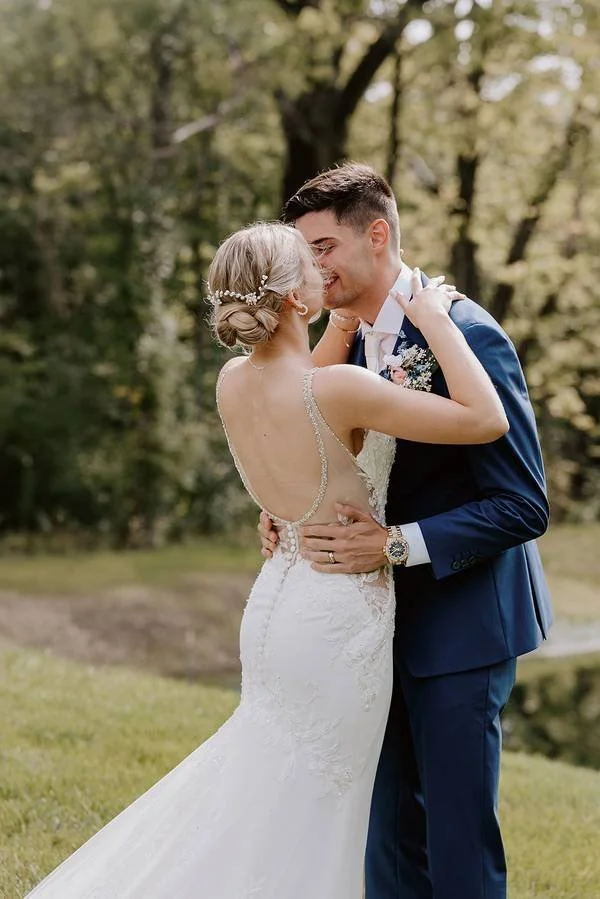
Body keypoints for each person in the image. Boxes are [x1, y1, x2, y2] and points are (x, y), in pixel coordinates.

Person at [23, 220, 508, 899]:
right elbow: (485, 419)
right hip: (337, 617)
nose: (323, 270)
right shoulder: (335, 389)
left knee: (264, 793)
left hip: (278, 605)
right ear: (297, 300)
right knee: (315, 814)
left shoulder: (233, 381)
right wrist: (436, 318)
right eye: (311, 266)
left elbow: (306, 433)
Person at [259, 163, 553, 899]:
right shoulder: (343, 341)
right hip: (363, 629)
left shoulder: (467, 334)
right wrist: (289, 513)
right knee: (385, 838)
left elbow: (523, 504)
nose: (312, 266)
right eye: (304, 253)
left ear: (377, 234)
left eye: (324, 247)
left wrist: (393, 545)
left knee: (457, 842)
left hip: (461, 622)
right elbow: (325, 453)